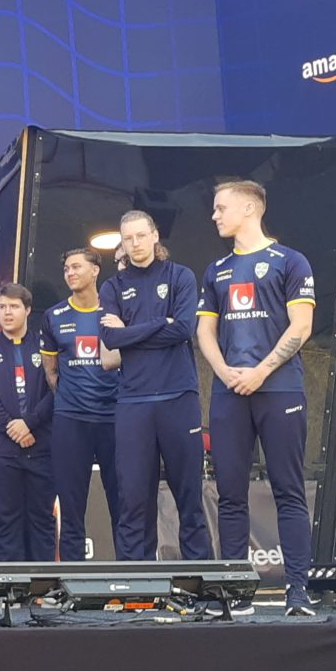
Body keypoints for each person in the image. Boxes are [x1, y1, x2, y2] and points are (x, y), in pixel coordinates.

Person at [196, 180, 316, 617]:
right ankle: (235, 594)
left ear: (249, 208)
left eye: (220, 207)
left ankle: (297, 591)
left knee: (289, 491)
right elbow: (204, 330)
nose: (214, 215)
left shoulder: (291, 261)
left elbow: (301, 327)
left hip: (279, 389)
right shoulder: (216, 270)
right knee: (230, 494)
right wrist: (224, 371)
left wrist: (261, 371)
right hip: (230, 393)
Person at [98, 211, 212, 562]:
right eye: (128, 238)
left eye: (140, 236)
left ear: (154, 235)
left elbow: (183, 329)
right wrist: (160, 323)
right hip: (134, 401)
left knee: (189, 495)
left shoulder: (180, 276)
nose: (135, 244)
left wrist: (131, 332)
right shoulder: (112, 287)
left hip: (179, 397)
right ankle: (136, 581)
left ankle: (200, 578)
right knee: (133, 498)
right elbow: (110, 338)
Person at [40, 249, 120, 562]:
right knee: (72, 506)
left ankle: (132, 575)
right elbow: (51, 371)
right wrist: (70, 397)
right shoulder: (54, 316)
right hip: (71, 420)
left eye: (77, 267)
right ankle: (73, 578)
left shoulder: (115, 310)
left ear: (95, 270)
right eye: (66, 269)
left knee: (122, 503)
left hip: (114, 417)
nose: (70, 273)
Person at [0, 284, 56, 561]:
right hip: (1, 451)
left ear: (28, 310)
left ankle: (45, 583)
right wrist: (14, 427)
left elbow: (55, 390)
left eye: (14, 306)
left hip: (40, 447)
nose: (7, 313)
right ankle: (14, 584)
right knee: (5, 520)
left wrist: (29, 423)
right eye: (2, 307)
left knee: (42, 520)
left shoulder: (44, 346)